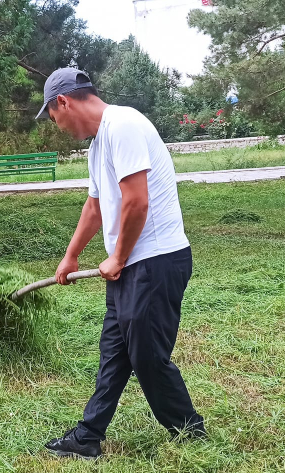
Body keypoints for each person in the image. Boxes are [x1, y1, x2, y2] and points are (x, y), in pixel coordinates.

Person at [37, 68, 205, 459]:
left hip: (155, 261)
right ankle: (88, 436)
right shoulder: (99, 144)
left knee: (146, 357)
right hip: (130, 266)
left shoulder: (123, 124)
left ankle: (189, 430)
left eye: (52, 117)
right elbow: (95, 206)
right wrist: (71, 255)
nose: (57, 126)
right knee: (114, 353)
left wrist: (119, 256)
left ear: (63, 102)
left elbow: (137, 201)